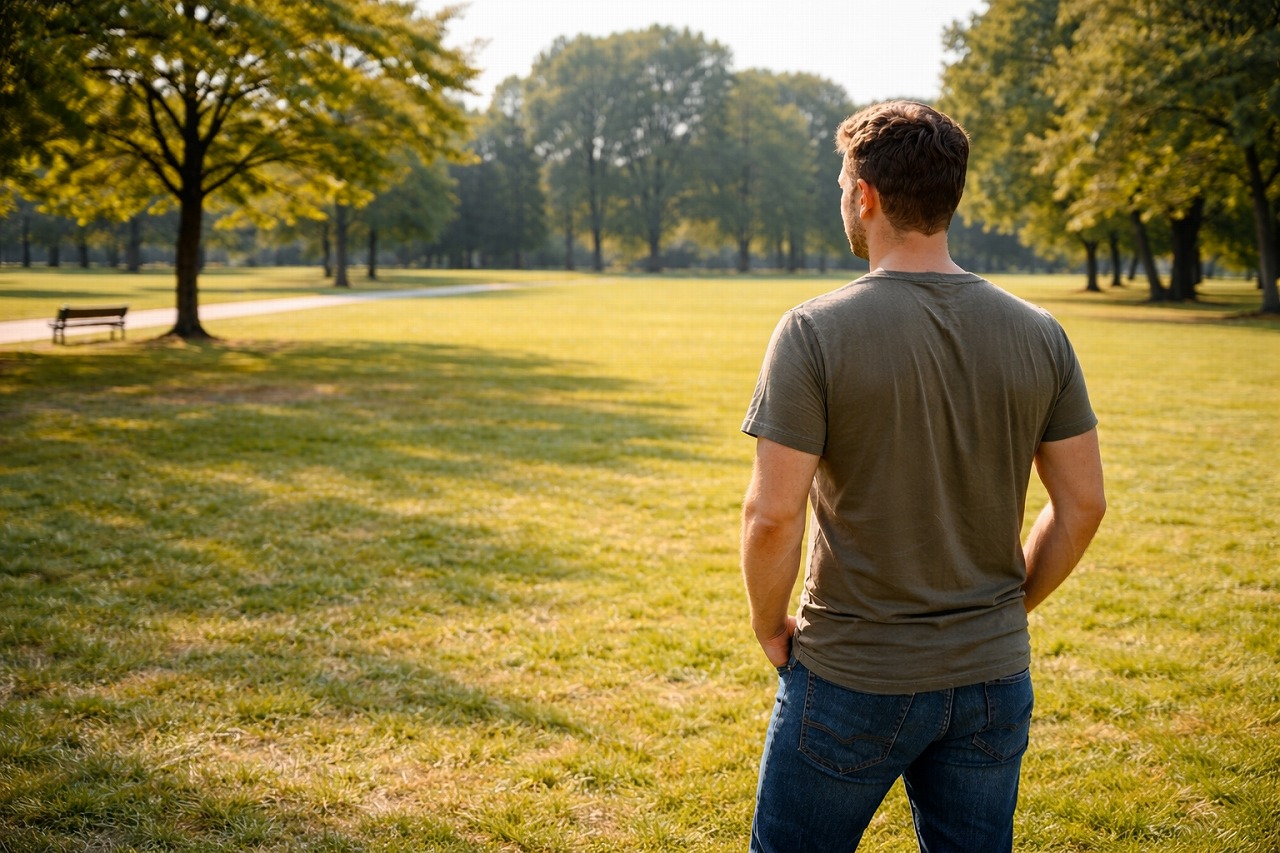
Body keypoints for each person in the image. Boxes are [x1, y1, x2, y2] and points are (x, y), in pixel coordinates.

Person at [739, 100, 1106, 852]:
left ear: (866, 195)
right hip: (992, 676)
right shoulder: (1041, 333)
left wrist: (768, 625)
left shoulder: (812, 331)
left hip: (852, 675)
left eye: (843, 184)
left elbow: (772, 515)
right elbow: (1084, 505)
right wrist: (1006, 609)